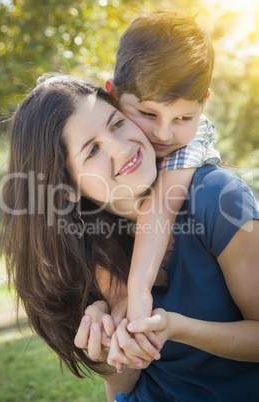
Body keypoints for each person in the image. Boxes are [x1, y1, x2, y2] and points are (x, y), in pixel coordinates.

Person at [0, 74, 259, 402]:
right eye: (92, 150)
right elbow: (122, 391)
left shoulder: (217, 197)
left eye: (117, 124)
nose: (122, 149)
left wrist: (176, 327)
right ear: (67, 191)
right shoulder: (88, 249)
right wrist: (110, 350)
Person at [105, 9, 221, 345]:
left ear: (204, 105)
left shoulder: (195, 137)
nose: (164, 133)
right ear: (113, 95)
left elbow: (162, 207)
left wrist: (138, 290)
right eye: (146, 113)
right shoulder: (98, 128)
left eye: (184, 116)